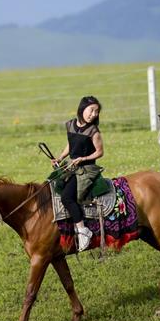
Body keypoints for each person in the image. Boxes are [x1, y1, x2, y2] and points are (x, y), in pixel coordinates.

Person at [52, 96, 104, 250]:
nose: (94, 114)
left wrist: (83, 158)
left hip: (86, 169)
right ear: (82, 109)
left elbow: (100, 152)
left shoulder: (94, 131)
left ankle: (83, 230)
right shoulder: (70, 125)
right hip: (72, 166)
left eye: (96, 111)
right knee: (52, 185)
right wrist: (60, 158)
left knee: (67, 197)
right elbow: (71, 143)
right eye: (91, 110)